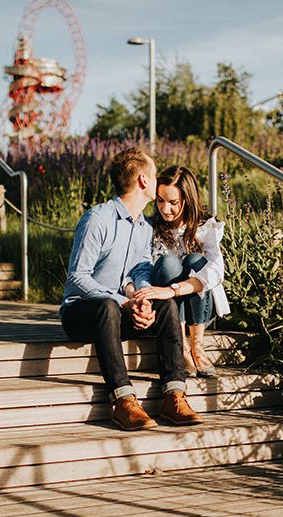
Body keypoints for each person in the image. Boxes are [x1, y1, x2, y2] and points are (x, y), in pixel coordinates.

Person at [60, 147, 203, 431]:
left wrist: (141, 297)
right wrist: (121, 301)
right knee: (107, 306)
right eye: (152, 174)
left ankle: (174, 395)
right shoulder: (97, 219)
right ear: (142, 181)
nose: (155, 179)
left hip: (117, 311)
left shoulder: (143, 227)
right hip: (81, 313)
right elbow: (78, 277)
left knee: (165, 304)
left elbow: (138, 269)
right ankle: (123, 400)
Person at [133, 165, 230, 378]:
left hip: (199, 308)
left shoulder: (205, 227)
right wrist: (147, 294)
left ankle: (197, 346)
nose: (165, 209)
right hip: (167, 310)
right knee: (168, 263)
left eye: (173, 203)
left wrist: (174, 289)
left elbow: (216, 271)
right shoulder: (150, 228)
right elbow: (142, 267)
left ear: (187, 200)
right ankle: (182, 347)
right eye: (160, 200)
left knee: (196, 259)